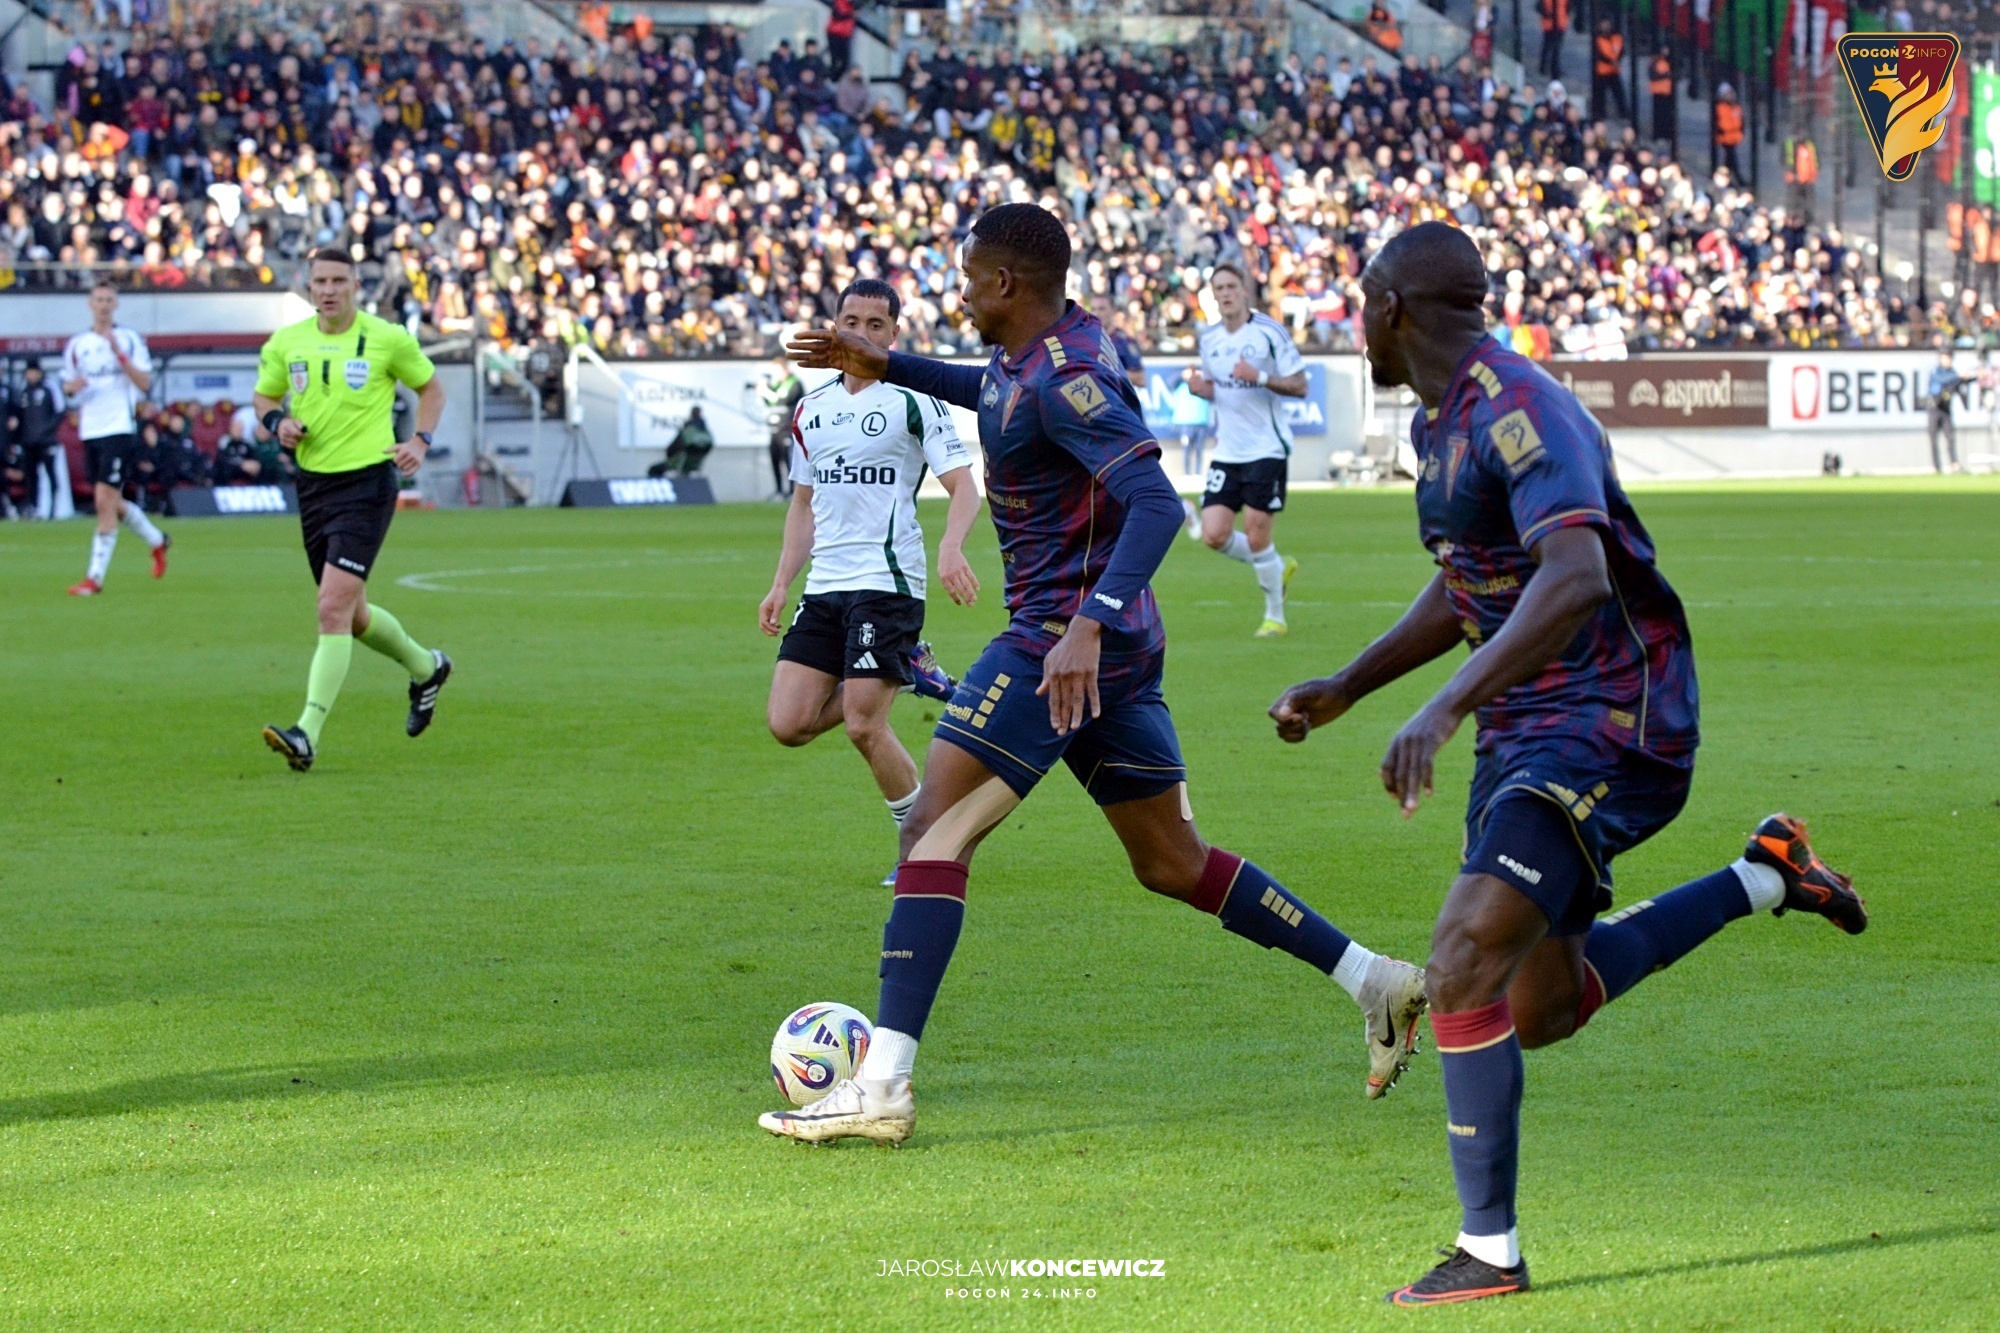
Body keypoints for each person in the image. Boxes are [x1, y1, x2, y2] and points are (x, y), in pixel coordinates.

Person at [1269, 223, 1867, 1305]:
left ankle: (1488, 1252)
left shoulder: (1520, 408)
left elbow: (1576, 572)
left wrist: (1445, 704)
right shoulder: (1439, 422)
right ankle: (1767, 873)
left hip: (1612, 716)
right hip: (1528, 726)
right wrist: (1353, 683)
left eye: (1360, 304)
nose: (1353, 325)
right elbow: (1471, 580)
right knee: (1539, 1009)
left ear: (1392, 307)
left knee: (1460, 956)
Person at [764, 203, 1428, 1146]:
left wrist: (1085, 624)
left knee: (930, 832)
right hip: (1113, 647)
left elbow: (1153, 501)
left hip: (1060, 643)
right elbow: (994, 391)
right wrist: (888, 362)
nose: (959, 293)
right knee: (1172, 863)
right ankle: (1375, 979)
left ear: (1006, 283)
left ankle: (882, 1086)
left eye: (968, 278)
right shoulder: (1040, 355)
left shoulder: (1068, 375)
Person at [760, 279, 983, 885]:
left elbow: (964, 487)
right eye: (851, 321)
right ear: (835, 326)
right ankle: (905, 666)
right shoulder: (811, 409)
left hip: (888, 581)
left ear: (894, 334)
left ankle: (923, 845)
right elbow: (803, 505)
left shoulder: (914, 400)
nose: (861, 333)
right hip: (825, 585)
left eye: (875, 324)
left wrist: (951, 546)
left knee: (863, 723)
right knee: (788, 724)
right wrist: (781, 582)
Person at [252, 247, 453, 772]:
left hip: (367, 484)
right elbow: (265, 398)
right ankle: (426, 668)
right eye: (320, 281)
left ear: (355, 286)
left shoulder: (386, 338)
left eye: (339, 281)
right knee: (354, 616)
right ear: (309, 286)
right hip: (313, 487)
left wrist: (420, 441)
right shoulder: (287, 342)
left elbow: (432, 389)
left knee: (330, 609)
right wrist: (278, 424)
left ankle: (307, 733)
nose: (328, 290)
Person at [1183, 264, 1306, 638]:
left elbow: (1300, 385)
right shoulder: (1210, 340)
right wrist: (1201, 389)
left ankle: (1275, 618)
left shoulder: (1268, 332)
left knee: (1256, 534)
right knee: (1213, 535)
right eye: (1218, 288)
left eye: (1230, 286)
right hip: (1228, 451)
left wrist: (1261, 377)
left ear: (1244, 291)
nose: (1225, 293)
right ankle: (1275, 566)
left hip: (1266, 448)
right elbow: (1218, 389)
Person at [63, 282, 171, 595]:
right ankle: (157, 540)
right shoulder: (77, 344)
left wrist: (119, 355)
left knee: (103, 501)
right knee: (112, 503)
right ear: (90, 304)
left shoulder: (128, 339)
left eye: (109, 300)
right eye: (99, 299)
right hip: (90, 429)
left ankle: (94, 579)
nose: (104, 305)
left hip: (119, 428)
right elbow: (67, 386)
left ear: (116, 304)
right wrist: (72, 387)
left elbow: (145, 382)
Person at [11, 362, 63, 519]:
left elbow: (60, 410)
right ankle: (34, 508)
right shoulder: (23, 391)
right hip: (29, 442)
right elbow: (19, 416)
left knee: (51, 474)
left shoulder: (49, 387)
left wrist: (46, 431)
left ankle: (54, 509)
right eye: (29, 372)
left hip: (47, 441)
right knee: (31, 476)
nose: (31, 375)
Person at [758, 354, 806, 498]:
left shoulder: (795, 383)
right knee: (775, 459)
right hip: (775, 429)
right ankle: (779, 490)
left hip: (788, 429)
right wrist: (763, 392)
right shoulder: (777, 385)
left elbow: (785, 400)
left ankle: (791, 491)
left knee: (789, 460)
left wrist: (767, 392)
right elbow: (771, 403)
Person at [1089, 293, 1147, 391]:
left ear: (1113, 311)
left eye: (1102, 309)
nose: (1097, 314)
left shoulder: (1125, 341)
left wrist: (1108, 373)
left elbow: (1141, 379)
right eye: (1093, 309)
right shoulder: (1085, 339)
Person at [651, 407, 714, 477]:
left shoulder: (688, 430)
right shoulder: (705, 432)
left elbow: (673, 447)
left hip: (679, 462)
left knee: (653, 469)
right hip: (693, 464)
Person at [1926, 350, 1962, 473]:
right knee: (1933, 438)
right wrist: (1959, 376)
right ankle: (1936, 466)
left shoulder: (1952, 372)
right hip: (1934, 408)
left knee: (1950, 436)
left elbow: (1959, 383)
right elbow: (1941, 380)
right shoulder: (1936, 371)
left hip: (1946, 408)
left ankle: (1954, 463)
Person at [1590, 17, 1628, 123]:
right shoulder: (1598, 38)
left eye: (1607, 24)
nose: (1606, 26)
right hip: (1602, 70)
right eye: (1603, 24)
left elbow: (1622, 49)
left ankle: (1623, 112)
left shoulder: (1617, 37)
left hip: (1614, 70)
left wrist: (1617, 60)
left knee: (1619, 93)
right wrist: (1611, 61)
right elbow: (1599, 54)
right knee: (1600, 94)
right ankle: (1600, 114)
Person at [1713, 83, 1744, 180]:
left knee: (1728, 160)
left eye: (1730, 93)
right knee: (1731, 158)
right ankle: (1737, 178)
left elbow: (1740, 121)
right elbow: (1721, 124)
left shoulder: (1736, 107)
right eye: (1727, 94)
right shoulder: (1720, 108)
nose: (1730, 96)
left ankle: (1726, 177)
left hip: (1734, 137)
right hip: (1725, 138)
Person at [1648, 48, 1675, 145]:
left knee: (1668, 115)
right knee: (1659, 115)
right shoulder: (1655, 61)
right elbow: (1653, 75)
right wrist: (1666, 75)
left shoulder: (1669, 61)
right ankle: (1658, 135)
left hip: (1668, 92)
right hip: (1658, 92)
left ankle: (1667, 135)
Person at [1538, 0, 1570, 79]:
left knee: (1550, 47)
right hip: (1556, 23)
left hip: (1556, 24)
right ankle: (1552, 69)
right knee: (1553, 47)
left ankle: (1546, 68)